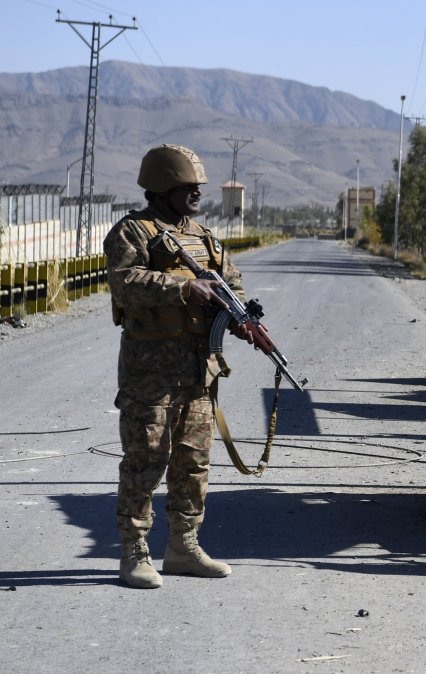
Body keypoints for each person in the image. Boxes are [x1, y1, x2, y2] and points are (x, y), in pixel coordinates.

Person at [104, 144, 249, 589]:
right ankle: (134, 551)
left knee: (193, 461)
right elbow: (125, 283)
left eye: (198, 188)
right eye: (188, 188)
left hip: (197, 369)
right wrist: (184, 288)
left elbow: (232, 280)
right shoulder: (133, 232)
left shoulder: (204, 237)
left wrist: (238, 315)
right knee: (145, 459)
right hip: (150, 371)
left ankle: (183, 547)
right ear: (162, 189)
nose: (197, 194)